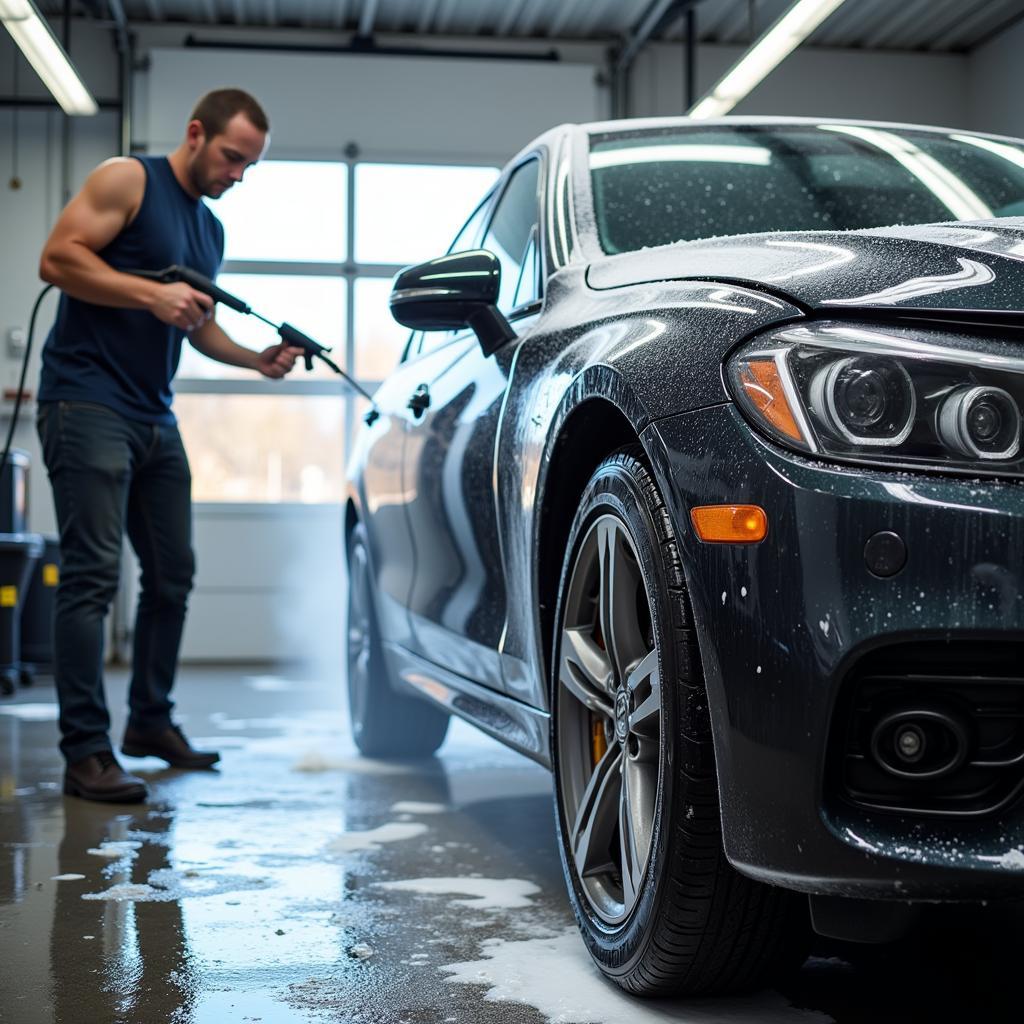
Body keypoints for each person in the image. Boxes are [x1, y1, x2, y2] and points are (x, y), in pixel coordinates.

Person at [36, 88, 302, 803]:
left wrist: (255, 359)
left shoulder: (209, 231)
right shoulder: (129, 179)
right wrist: (147, 295)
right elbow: (58, 259)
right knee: (93, 577)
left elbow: (196, 323)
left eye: (250, 166)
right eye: (231, 157)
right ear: (195, 134)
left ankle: (149, 723)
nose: (238, 175)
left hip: (155, 414)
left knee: (173, 574)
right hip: (85, 400)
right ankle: (85, 752)